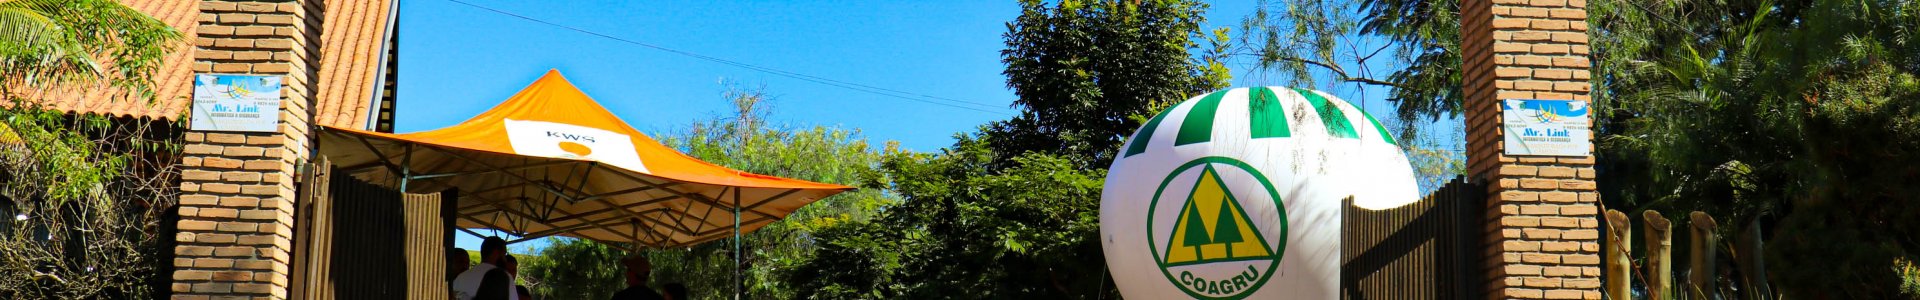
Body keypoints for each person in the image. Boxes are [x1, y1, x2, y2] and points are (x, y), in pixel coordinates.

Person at [451, 237, 518, 300]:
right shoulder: (504, 278)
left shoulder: (460, 278)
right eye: (504, 254)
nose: (505, 259)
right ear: (497, 253)